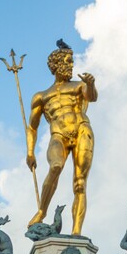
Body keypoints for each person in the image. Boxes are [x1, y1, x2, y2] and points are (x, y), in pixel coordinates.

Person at [26, 41, 97, 236]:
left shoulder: (79, 86)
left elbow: (91, 97)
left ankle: (76, 233)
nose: (72, 64)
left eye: (72, 60)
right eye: (68, 60)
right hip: (58, 134)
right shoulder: (41, 96)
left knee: (80, 182)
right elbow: (32, 126)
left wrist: (91, 84)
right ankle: (42, 211)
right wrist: (30, 152)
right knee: (55, 166)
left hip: (82, 129)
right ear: (57, 64)